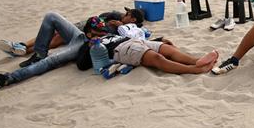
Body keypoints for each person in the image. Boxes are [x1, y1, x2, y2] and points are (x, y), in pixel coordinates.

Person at [77, 16, 218, 75]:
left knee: (167, 48)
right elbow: (82, 65)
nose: (102, 31)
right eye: (97, 30)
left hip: (133, 41)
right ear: (89, 33)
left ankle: (197, 61)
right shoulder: (88, 45)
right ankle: (194, 70)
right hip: (122, 50)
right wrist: (90, 46)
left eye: (103, 29)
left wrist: (159, 39)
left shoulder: (110, 34)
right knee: (157, 58)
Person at [0, 7, 144, 61]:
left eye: (128, 13)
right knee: (52, 32)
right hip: (81, 26)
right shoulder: (116, 15)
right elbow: (101, 15)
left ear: (133, 19)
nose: (124, 14)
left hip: (82, 34)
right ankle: (21, 46)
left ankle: (22, 49)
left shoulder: (130, 29)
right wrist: (113, 19)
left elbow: (133, 37)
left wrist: (120, 27)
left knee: (56, 39)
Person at [0, 11, 90, 89]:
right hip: (80, 35)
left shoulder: (105, 35)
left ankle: (8, 78)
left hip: (86, 45)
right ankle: (36, 53)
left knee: (52, 59)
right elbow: (81, 26)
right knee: (51, 16)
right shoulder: (103, 17)